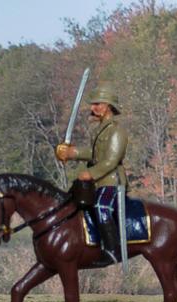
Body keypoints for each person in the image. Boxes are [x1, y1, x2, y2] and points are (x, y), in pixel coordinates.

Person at [55, 81, 128, 265]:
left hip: (111, 181)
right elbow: (95, 153)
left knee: (101, 207)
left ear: (108, 106)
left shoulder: (117, 131)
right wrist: (72, 153)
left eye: (98, 104)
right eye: (93, 104)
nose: (94, 107)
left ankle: (112, 251)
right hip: (98, 181)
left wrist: (90, 174)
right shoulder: (99, 129)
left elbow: (111, 160)